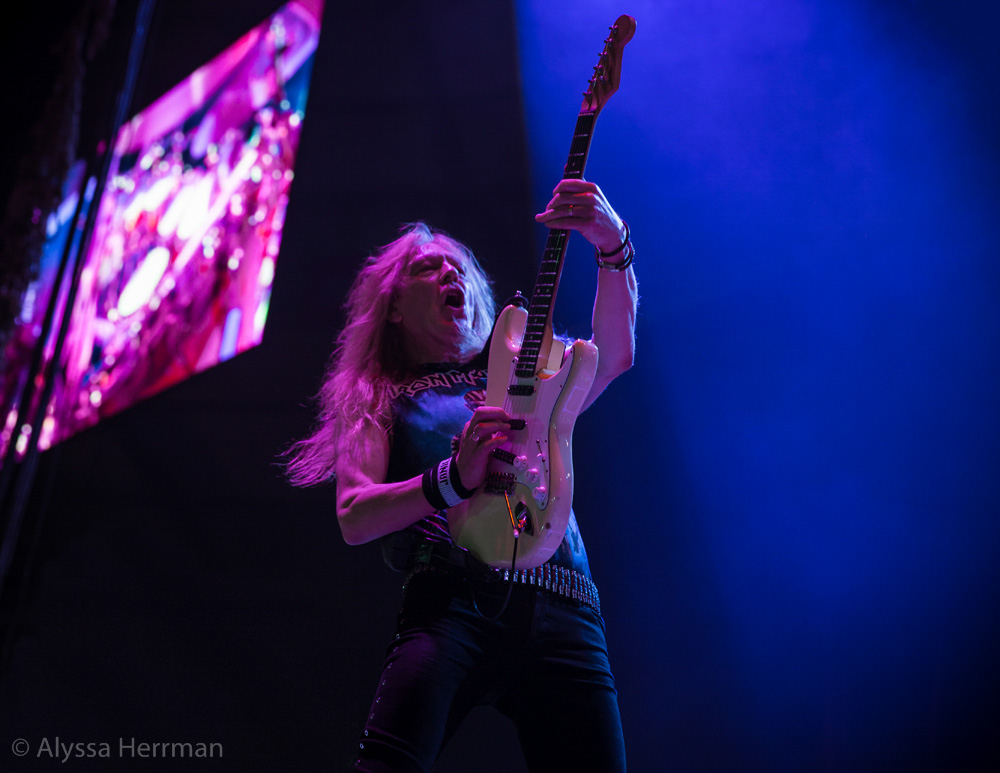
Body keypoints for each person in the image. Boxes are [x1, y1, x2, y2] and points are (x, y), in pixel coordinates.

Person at [287, 179, 638, 772]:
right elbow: (354, 514)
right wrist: (452, 477)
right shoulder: (380, 397)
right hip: (454, 604)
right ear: (393, 307)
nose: (452, 275)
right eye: (428, 268)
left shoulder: (529, 379)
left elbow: (614, 351)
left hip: (565, 608)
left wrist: (613, 244)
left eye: (460, 270)